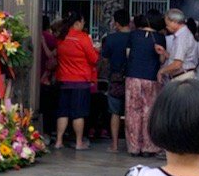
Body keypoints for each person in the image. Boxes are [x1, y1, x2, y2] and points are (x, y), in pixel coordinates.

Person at [54, 14, 100, 152]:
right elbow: (94, 59)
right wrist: (96, 50)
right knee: (78, 113)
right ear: (78, 22)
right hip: (80, 81)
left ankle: (58, 141)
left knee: (63, 112)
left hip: (63, 80)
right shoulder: (82, 38)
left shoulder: (61, 37)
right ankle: (79, 142)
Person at [124, 14, 165, 157]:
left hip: (133, 76)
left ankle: (134, 147)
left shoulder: (133, 35)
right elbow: (161, 58)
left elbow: (128, 54)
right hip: (151, 77)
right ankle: (149, 147)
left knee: (132, 112)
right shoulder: (160, 38)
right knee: (149, 112)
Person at [100, 10, 132, 154]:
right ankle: (132, 144)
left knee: (115, 112)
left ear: (117, 24)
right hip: (132, 78)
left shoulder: (111, 39)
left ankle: (114, 145)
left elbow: (104, 59)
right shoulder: (135, 37)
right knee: (132, 112)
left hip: (115, 78)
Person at [157, 9, 198, 85]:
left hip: (183, 78)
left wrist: (161, 71)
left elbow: (177, 64)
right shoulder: (183, 34)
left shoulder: (181, 37)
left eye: (167, 24)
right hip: (184, 76)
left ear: (175, 22)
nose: (166, 26)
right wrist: (164, 53)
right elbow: (181, 57)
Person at [40, 16, 59, 140]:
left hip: (37, 77)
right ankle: (47, 132)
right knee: (48, 107)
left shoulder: (36, 35)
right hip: (46, 78)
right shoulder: (50, 38)